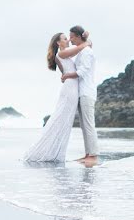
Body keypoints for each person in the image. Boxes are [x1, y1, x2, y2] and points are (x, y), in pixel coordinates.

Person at [22, 32, 88, 162]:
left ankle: (55, 153)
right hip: (70, 90)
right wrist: (86, 39)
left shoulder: (65, 54)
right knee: (60, 119)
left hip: (71, 88)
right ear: (58, 43)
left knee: (65, 121)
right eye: (65, 38)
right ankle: (46, 152)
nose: (68, 39)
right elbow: (80, 48)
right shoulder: (61, 53)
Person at [69, 25, 99, 164]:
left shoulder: (86, 52)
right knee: (83, 125)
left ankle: (93, 155)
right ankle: (88, 153)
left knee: (88, 124)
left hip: (87, 92)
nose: (70, 39)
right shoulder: (83, 51)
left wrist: (68, 75)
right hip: (82, 92)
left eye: (72, 36)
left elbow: (83, 70)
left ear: (78, 36)